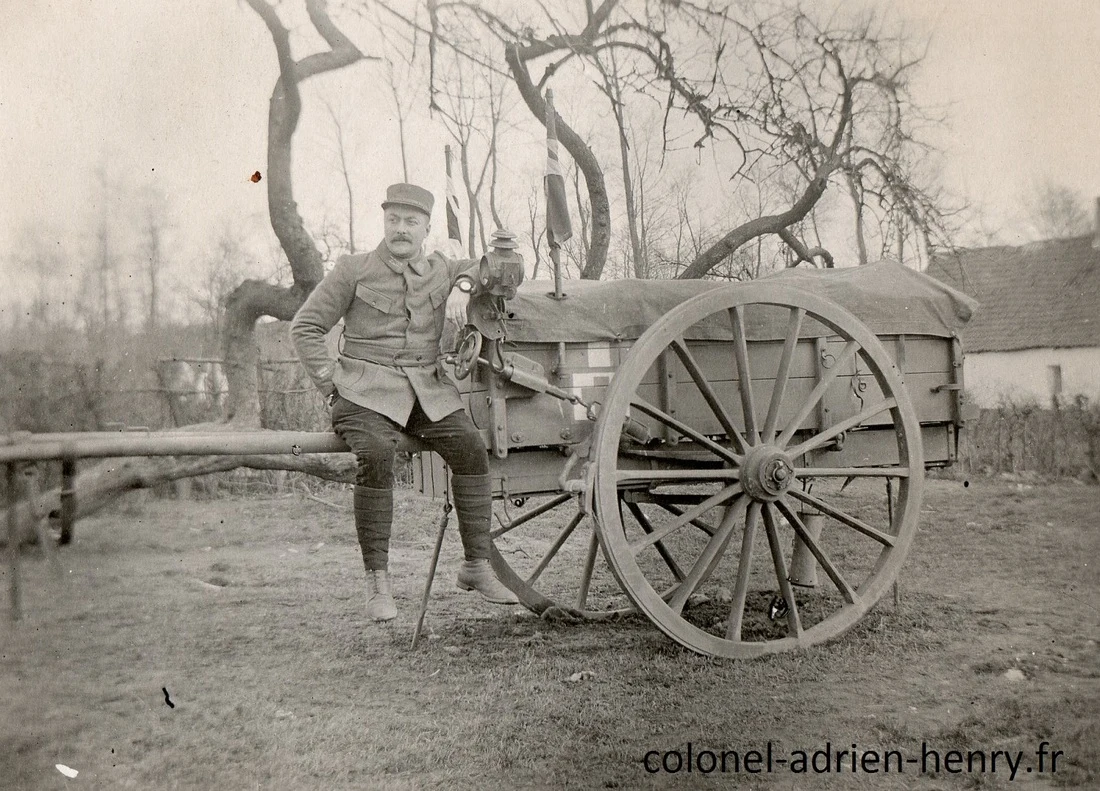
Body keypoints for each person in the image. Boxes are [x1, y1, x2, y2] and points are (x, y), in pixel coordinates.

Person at [291, 182, 518, 621]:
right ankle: (378, 583)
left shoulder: (442, 269)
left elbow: (502, 265)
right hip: (362, 391)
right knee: (376, 453)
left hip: (426, 392)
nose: (400, 229)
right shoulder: (352, 269)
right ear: (384, 222)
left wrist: (465, 284)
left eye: (411, 222)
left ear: (426, 228)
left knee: (471, 448)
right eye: (393, 219)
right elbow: (304, 328)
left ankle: (475, 566)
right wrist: (331, 387)